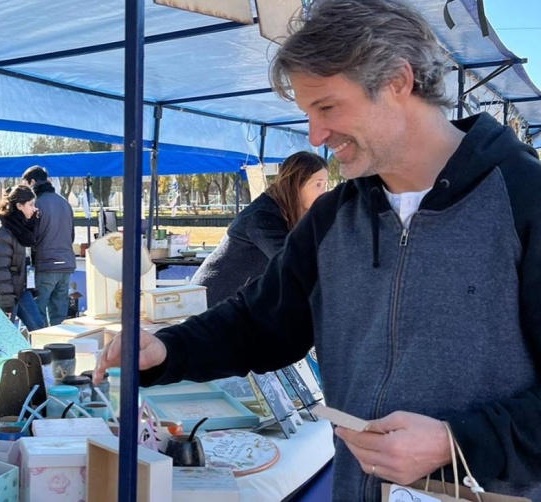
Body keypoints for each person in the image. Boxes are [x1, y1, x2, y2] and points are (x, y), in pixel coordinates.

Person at [97, 0, 541, 499]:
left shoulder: (525, 200)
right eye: (308, 113)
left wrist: (456, 441)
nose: (316, 135)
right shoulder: (334, 217)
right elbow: (261, 322)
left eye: (327, 107)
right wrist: (169, 348)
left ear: (398, 80)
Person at [191, 151, 328, 306]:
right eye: (318, 185)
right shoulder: (262, 216)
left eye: (325, 185)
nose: (324, 193)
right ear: (295, 184)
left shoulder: (283, 212)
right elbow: (293, 262)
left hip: (237, 302)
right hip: (211, 301)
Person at [0, 185, 47, 331]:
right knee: (5, 332)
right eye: (31, 204)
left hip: (20, 288)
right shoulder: (4, 230)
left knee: (38, 327)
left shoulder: (25, 227)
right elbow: (0, 269)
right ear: (19, 206)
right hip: (2, 292)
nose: (34, 209)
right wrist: (7, 302)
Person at [22, 166, 75, 326]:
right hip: (66, 264)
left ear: (32, 182)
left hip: (46, 265)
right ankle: (59, 341)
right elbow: (71, 236)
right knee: (59, 315)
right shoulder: (64, 203)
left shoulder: (36, 204)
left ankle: (40, 341)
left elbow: (30, 237)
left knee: (37, 313)